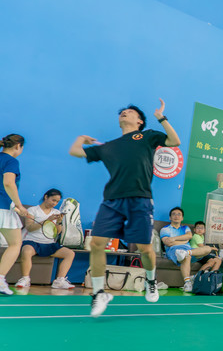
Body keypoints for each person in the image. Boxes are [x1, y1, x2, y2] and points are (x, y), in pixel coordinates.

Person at [70, 101, 180, 316]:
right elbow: (75, 151)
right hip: (112, 200)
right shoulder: (109, 146)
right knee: (97, 243)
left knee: (144, 248)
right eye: (122, 112)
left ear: (139, 121)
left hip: (140, 199)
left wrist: (161, 117)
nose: (124, 113)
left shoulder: (147, 136)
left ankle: (150, 281)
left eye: (130, 112)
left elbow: (175, 141)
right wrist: (81, 139)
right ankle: (99, 293)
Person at [16, 188, 76, 290]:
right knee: (26, 251)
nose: (54, 203)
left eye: (57, 201)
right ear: (46, 197)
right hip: (32, 241)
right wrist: (47, 220)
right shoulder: (32, 210)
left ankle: (59, 281)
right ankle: (25, 279)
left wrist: (59, 222)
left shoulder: (56, 212)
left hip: (49, 243)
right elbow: (30, 228)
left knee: (70, 253)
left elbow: (58, 232)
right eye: (53, 200)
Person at [0, 134, 28, 296]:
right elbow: (8, 183)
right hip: (2, 208)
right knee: (15, 244)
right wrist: (18, 205)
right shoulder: (11, 161)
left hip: (5, 206)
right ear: (18, 146)